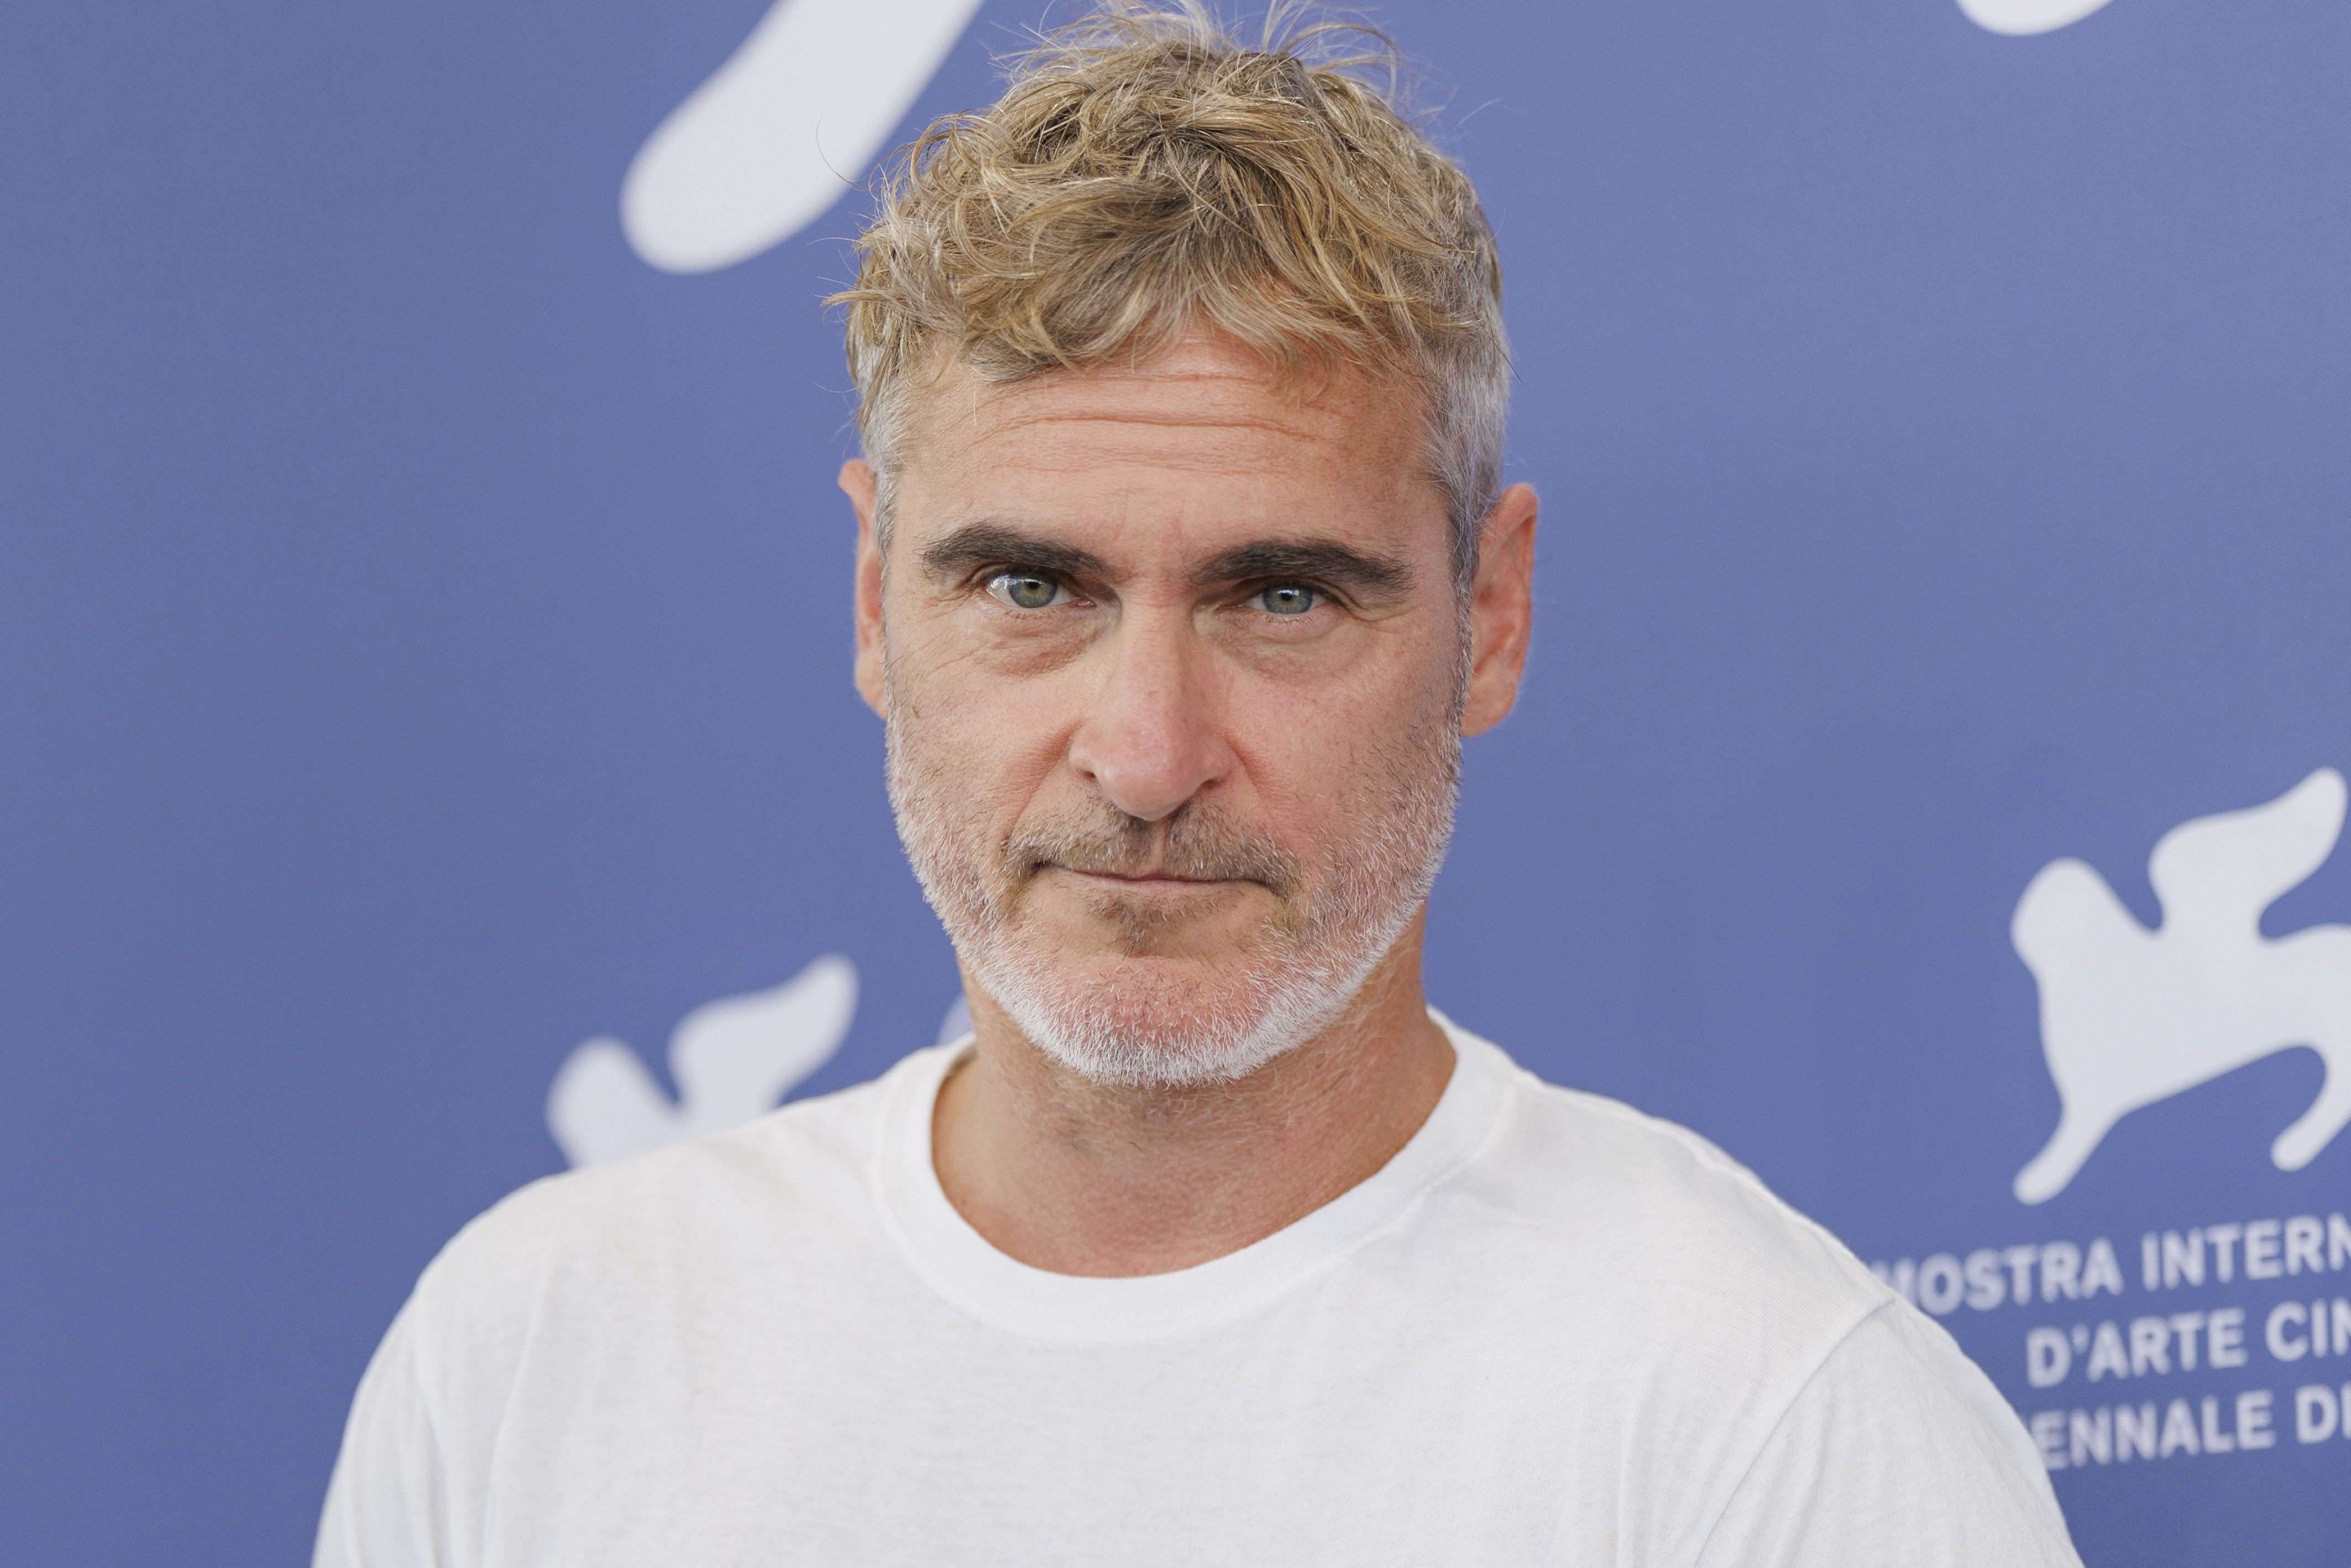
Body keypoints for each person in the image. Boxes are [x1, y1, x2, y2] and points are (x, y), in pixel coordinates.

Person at [316, 7, 2082, 1563]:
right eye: (1031, 587)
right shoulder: (532, 1360)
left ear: (1492, 617)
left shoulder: (1772, 1428)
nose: (1148, 755)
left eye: (1283, 595)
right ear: (874, 600)